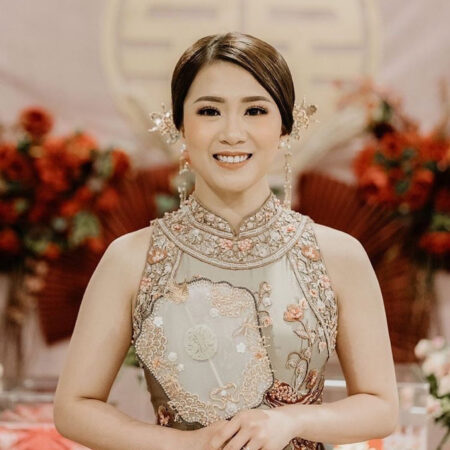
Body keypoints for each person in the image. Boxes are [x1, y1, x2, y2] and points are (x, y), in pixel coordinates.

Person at [53, 32, 399, 450]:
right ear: (181, 126)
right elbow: (74, 407)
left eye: (255, 110)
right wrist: (186, 446)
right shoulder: (131, 258)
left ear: (284, 128)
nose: (233, 133)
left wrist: (291, 420)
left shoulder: (339, 256)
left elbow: (381, 407)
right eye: (209, 111)